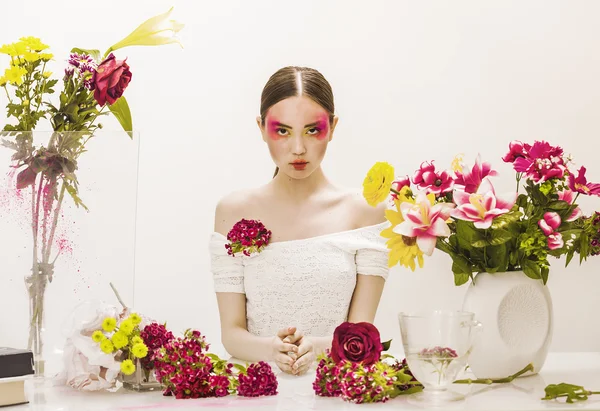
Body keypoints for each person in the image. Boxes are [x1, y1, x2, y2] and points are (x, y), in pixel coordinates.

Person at [209, 66, 390, 376]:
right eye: (282, 131)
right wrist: (271, 350)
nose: (298, 148)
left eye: (311, 130)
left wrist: (316, 347)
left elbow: (363, 332)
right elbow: (232, 333)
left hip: (336, 387)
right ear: (261, 127)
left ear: (332, 127)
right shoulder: (233, 210)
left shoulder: (365, 213)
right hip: (256, 388)